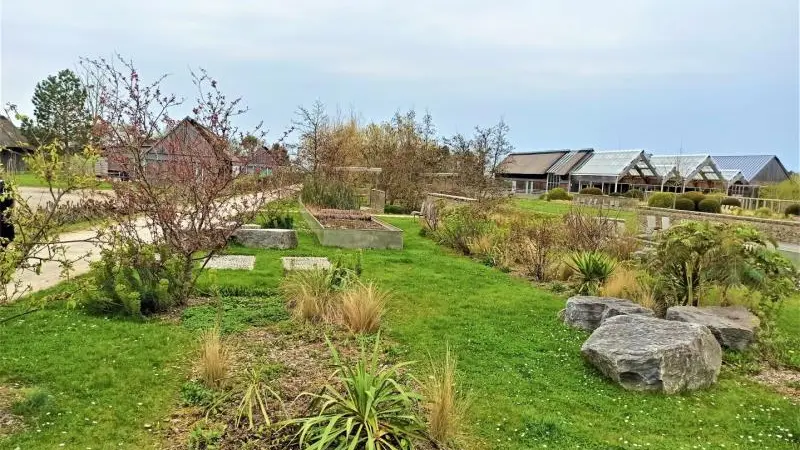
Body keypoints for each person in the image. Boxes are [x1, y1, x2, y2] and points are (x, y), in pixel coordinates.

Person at [0, 180, 14, 249]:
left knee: (4, 244)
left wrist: (6, 217)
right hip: (4, 221)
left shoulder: (6, 187)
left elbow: (11, 204)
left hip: (4, 222)